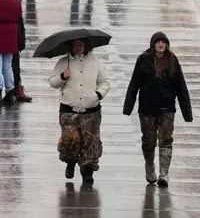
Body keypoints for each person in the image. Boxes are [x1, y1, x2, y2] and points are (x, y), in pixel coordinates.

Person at [123, 32, 193, 187]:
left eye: (164, 42)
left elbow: (181, 87)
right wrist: (128, 106)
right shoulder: (143, 60)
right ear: (153, 44)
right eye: (158, 42)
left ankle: (164, 174)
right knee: (149, 141)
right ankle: (150, 168)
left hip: (167, 108)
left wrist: (187, 111)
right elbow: (134, 84)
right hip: (147, 108)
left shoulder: (173, 60)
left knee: (166, 141)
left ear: (167, 44)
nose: (161, 44)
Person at [49, 38, 111, 184]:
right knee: (71, 140)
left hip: (91, 111)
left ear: (86, 46)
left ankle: (87, 171)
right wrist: (62, 77)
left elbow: (105, 81)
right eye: (75, 45)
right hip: (69, 110)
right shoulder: (64, 62)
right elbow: (53, 82)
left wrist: (98, 94)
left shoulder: (95, 62)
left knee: (90, 142)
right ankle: (70, 163)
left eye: (81, 45)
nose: (78, 47)